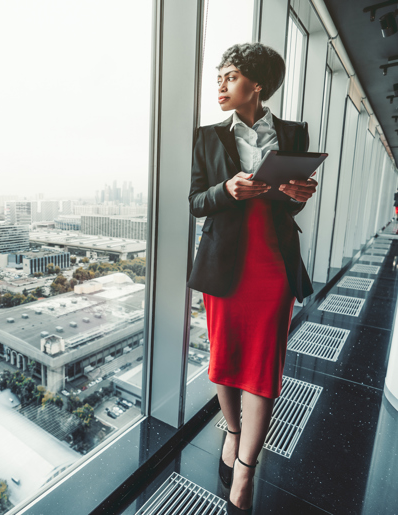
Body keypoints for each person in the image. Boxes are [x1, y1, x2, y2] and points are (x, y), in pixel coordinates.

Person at [187, 42, 318, 514]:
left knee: (263, 367)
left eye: (229, 76)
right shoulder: (206, 137)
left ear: (256, 84)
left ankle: (246, 469)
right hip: (225, 261)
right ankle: (234, 432)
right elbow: (196, 201)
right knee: (224, 360)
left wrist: (300, 193)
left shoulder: (293, 132)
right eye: (219, 76)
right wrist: (226, 189)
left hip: (273, 263)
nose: (219, 84)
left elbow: (294, 200)